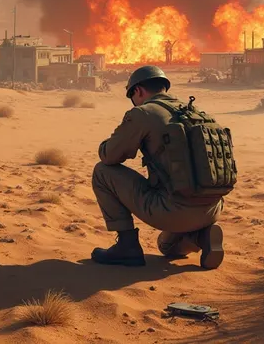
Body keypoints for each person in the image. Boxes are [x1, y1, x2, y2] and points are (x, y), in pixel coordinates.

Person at [91, 65, 230, 269]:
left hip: (172, 210)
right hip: (212, 208)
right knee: (166, 246)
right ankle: (202, 237)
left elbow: (109, 156)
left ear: (138, 91)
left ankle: (127, 246)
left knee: (102, 172)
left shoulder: (143, 113)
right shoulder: (195, 112)